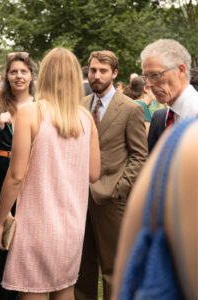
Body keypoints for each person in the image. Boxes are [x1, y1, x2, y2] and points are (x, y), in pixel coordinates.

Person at [0, 47, 100, 300]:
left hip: (37, 224)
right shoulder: (86, 119)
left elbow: (16, 176)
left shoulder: (31, 112)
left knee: (34, 292)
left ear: (43, 75)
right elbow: (94, 174)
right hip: (73, 226)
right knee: (65, 290)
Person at [75, 50, 148, 300]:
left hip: (112, 199)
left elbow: (140, 156)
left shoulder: (130, 109)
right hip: (78, 198)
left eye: (103, 71)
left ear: (114, 73)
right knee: (82, 268)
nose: (96, 76)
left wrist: (119, 188)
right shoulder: (81, 105)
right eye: (93, 70)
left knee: (113, 268)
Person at [111, 116, 198, 300]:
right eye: (150, 83)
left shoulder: (175, 144)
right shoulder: (173, 143)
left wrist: (121, 186)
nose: (151, 85)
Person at [0, 51, 36, 300]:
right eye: (14, 72)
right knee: (1, 239)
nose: (18, 76)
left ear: (31, 75)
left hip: (30, 178)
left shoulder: (41, 105)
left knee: (22, 243)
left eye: (23, 71)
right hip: (0, 176)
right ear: (6, 76)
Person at [140, 38, 198, 153]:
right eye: (146, 77)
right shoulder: (161, 118)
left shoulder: (194, 113)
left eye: (155, 75)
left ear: (181, 70)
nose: (149, 84)